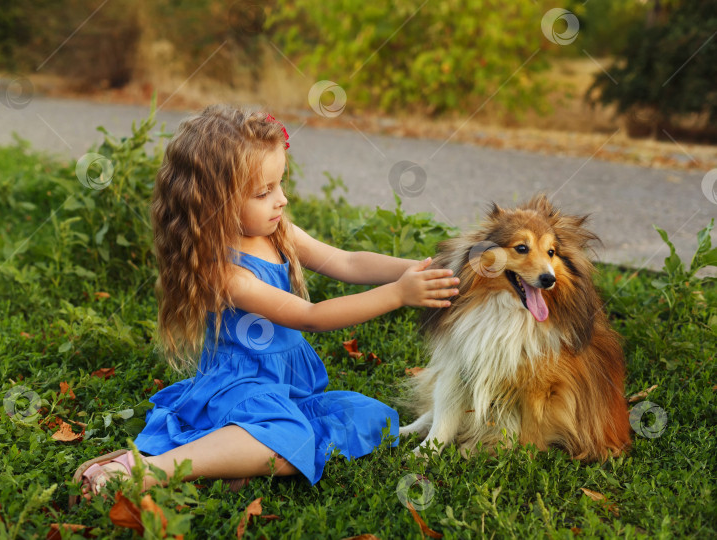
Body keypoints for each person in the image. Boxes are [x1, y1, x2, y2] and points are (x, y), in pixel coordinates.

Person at [72, 105, 459, 503]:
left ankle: (235, 457)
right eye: (264, 192)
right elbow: (310, 317)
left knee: (371, 417)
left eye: (279, 184)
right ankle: (145, 471)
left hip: (287, 388)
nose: (282, 200)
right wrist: (398, 294)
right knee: (292, 438)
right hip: (240, 385)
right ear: (214, 204)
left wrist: (426, 269)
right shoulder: (224, 272)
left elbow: (347, 260)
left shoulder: (278, 232)